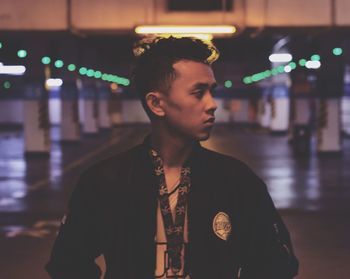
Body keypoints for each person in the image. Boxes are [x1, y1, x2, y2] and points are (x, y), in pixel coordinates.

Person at [46, 36, 299, 279]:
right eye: (198, 93)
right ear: (157, 104)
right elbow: (67, 263)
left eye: (212, 91)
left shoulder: (236, 181)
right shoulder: (106, 181)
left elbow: (275, 263)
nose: (212, 104)